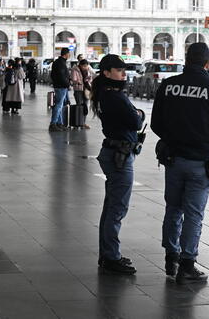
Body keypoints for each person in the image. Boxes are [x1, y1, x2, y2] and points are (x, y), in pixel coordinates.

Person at [151, 43, 209, 285]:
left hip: (173, 158)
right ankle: (187, 264)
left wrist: (172, 139)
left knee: (173, 208)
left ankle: (170, 257)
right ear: (207, 63)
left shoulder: (168, 85)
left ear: (186, 60)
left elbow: (156, 122)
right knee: (194, 214)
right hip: (201, 161)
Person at [91, 55, 145, 275]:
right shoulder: (115, 97)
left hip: (113, 152)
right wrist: (139, 114)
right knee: (117, 208)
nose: (124, 73)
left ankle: (107, 254)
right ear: (106, 72)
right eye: (119, 70)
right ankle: (112, 256)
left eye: (125, 70)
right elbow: (136, 121)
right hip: (120, 155)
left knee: (111, 206)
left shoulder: (104, 94)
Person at [49, 47, 71, 131]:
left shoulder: (58, 62)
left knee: (60, 105)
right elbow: (62, 76)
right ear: (66, 54)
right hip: (61, 87)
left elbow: (53, 75)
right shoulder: (61, 63)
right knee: (58, 105)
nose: (69, 55)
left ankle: (59, 123)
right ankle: (53, 123)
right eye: (69, 53)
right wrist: (68, 84)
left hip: (59, 86)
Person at [70, 59, 91, 129]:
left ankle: (83, 123)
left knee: (85, 107)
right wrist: (80, 81)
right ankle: (77, 123)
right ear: (81, 65)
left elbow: (89, 79)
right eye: (84, 66)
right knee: (79, 106)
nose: (85, 67)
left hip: (86, 90)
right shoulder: (75, 70)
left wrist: (88, 79)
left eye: (86, 66)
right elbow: (73, 79)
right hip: (78, 90)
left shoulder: (87, 70)